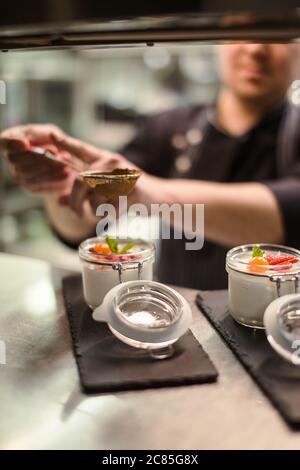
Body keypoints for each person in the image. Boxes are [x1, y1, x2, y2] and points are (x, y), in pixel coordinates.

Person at [2, 43, 300, 290]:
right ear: (219, 42)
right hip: (177, 317)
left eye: (274, 35)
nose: (256, 48)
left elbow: (288, 213)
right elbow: (83, 223)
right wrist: (59, 185)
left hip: (277, 327)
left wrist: (144, 189)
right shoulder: (169, 127)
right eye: (241, 33)